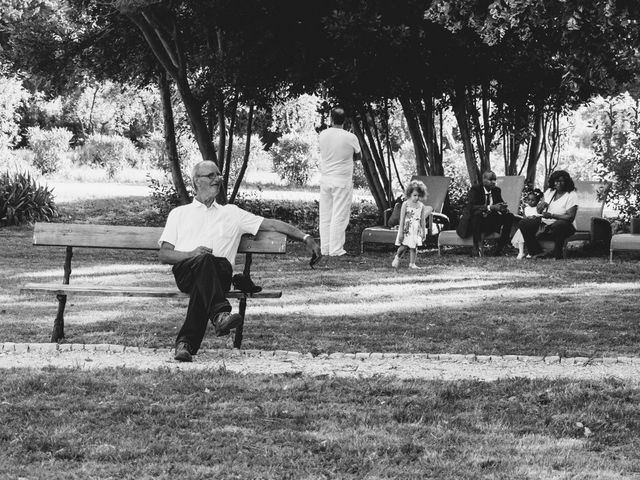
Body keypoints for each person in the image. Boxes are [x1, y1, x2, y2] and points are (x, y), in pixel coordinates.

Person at [158, 160, 322, 362]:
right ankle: (219, 316)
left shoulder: (232, 213)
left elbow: (270, 224)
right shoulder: (179, 214)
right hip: (187, 273)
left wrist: (305, 237)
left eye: (218, 175)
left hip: (220, 273)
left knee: (208, 267)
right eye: (211, 176)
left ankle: (186, 344)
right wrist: (192, 254)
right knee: (204, 262)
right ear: (196, 182)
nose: (217, 179)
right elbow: (165, 255)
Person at [318, 107, 362, 257]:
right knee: (339, 215)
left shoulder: (322, 135)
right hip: (342, 180)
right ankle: (336, 250)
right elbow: (358, 156)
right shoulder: (350, 137)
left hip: (326, 179)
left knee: (325, 215)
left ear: (331, 119)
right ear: (345, 120)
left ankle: (325, 248)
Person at [517, 170, 578, 260]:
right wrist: (540, 206)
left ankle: (558, 254)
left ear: (567, 182)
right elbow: (539, 211)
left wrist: (552, 215)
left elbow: (570, 217)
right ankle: (536, 252)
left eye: (562, 181)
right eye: (556, 181)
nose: (559, 183)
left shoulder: (571, 195)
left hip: (565, 226)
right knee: (524, 223)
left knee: (558, 225)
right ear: (553, 182)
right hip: (546, 224)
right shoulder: (550, 192)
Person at [456, 170, 515, 256]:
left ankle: (500, 247)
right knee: (477, 214)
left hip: (490, 221)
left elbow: (499, 204)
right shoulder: (475, 189)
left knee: (509, 216)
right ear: (483, 179)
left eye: (495, 180)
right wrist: (490, 207)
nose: (493, 182)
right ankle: (476, 248)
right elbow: (471, 207)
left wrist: (503, 208)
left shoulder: (496, 190)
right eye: (491, 180)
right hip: (475, 222)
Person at [392, 180, 432, 269]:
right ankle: (397, 257)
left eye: (418, 195)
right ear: (409, 194)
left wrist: (424, 232)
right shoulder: (405, 204)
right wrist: (401, 232)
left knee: (414, 247)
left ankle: (412, 264)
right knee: (404, 246)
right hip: (406, 227)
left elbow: (422, 220)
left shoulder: (421, 205)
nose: (416, 197)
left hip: (416, 228)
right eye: (414, 195)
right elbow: (402, 219)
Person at [511, 189, 543, 260]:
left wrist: (533, 217)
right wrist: (526, 217)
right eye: (528, 200)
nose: (530, 202)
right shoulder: (526, 208)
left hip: (533, 226)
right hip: (525, 225)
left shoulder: (538, 208)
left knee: (527, 233)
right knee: (520, 233)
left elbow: (539, 217)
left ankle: (530, 251)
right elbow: (524, 217)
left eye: (533, 200)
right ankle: (521, 252)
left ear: (537, 201)